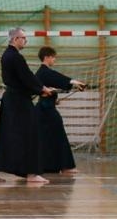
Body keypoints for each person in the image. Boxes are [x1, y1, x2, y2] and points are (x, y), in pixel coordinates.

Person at [0, 28, 54, 186]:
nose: (25, 41)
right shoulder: (15, 57)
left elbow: (22, 80)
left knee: (6, 136)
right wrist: (42, 89)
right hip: (18, 102)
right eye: (24, 38)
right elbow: (26, 77)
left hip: (13, 100)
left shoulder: (7, 55)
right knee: (30, 134)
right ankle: (31, 173)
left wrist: (38, 89)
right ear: (15, 39)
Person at [34, 46, 84, 176]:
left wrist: (55, 98)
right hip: (45, 110)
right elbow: (57, 77)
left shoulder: (43, 73)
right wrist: (72, 81)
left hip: (45, 109)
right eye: (53, 57)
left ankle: (49, 166)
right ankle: (65, 167)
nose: (54, 60)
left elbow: (50, 85)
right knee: (58, 135)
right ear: (47, 57)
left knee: (48, 138)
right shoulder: (43, 72)